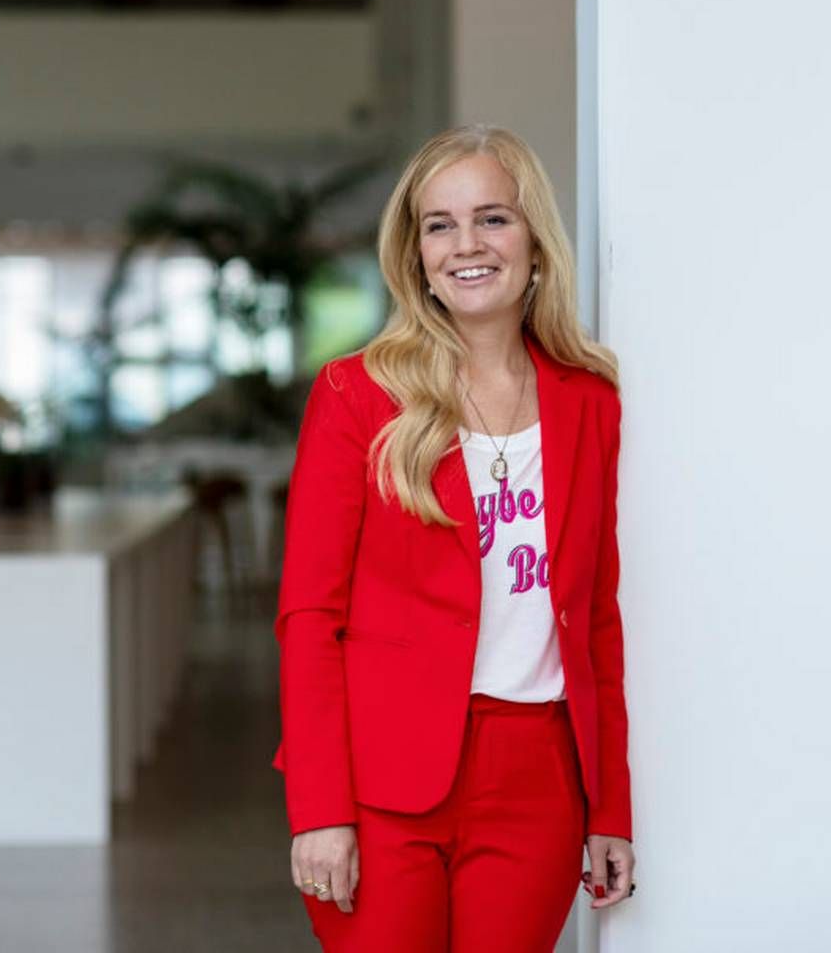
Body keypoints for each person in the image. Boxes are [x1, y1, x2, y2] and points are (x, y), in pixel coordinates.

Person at [272, 124, 636, 951]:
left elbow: (598, 619)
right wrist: (321, 811)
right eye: (440, 224)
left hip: (537, 784)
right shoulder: (356, 396)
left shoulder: (590, 403)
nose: (466, 245)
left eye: (492, 218)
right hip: (379, 783)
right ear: (416, 254)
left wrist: (608, 806)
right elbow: (308, 617)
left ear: (535, 239)